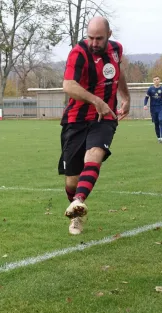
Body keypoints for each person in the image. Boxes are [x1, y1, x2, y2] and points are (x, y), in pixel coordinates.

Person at [59, 16, 130, 235]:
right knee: (72, 181)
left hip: (104, 118)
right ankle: (75, 202)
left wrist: (125, 96)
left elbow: (118, 71)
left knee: (94, 154)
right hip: (76, 120)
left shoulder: (116, 50)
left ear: (109, 35)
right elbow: (68, 85)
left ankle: (79, 202)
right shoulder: (78, 53)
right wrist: (95, 100)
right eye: (90, 37)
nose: (94, 42)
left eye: (99, 38)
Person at [143, 76, 162, 144]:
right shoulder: (150, 89)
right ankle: (158, 138)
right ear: (153, 81)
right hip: (153, 108)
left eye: (157, 79)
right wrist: (145, 105)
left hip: (161, 107)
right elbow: (146, 98)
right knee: (156, 123)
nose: (156, 80)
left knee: (161, 120)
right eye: (155, 80)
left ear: (160, 80)